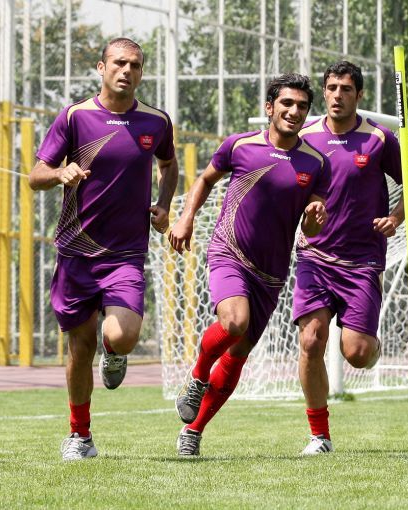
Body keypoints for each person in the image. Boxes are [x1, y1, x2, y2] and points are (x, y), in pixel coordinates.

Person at [29, 38, 178, 461]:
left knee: (121, 336)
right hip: (75, 253)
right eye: (119, 63)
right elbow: (36, 175)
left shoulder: (156, 121)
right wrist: (60, 173)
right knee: (80, 348)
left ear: (142, 72)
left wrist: (164, 203)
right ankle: (80, 436)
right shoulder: (74, 116)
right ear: (101, 67)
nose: (126, 71)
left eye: (135, 65)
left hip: (125, 255)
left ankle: (114, 354)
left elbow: (169, 166)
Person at [168, 73, 330, 457]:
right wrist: (186, 218)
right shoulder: (239, 145)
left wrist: (313, 216)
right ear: (269, 108)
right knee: (234, 321)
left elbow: (310, 227)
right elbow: (205, 180)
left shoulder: (316, 163)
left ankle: (193, 430)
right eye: (286, 103)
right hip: (229, 252)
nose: (294, 111)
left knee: (238, 352)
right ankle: (197, 376)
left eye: (302, 106)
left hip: (270, 274)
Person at [293, 61, 408, 455]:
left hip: (362, 262)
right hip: (315, 257)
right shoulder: (304, 137)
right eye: (331, 88)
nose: (337, 95)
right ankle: (319, 436)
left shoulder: (379, 138)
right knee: (311, 341)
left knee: (357, 354)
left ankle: (372, 346)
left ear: (359, 95)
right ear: (324, 92)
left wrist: (395, 218)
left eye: (346, 89)